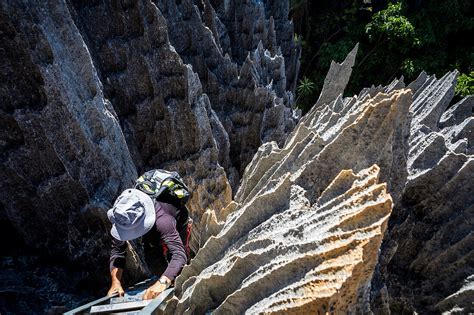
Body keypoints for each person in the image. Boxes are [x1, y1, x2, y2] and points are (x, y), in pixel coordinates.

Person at [106, 188, 190, 300]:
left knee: (178, 269)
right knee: (153, 262)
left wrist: (161, 283)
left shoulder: (164, 221)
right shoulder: (122, 217)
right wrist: (115, 282)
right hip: (152, 229)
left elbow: (179, 255)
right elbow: (117, 250)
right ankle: (169, 281)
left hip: (177, 223)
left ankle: (181, 291)